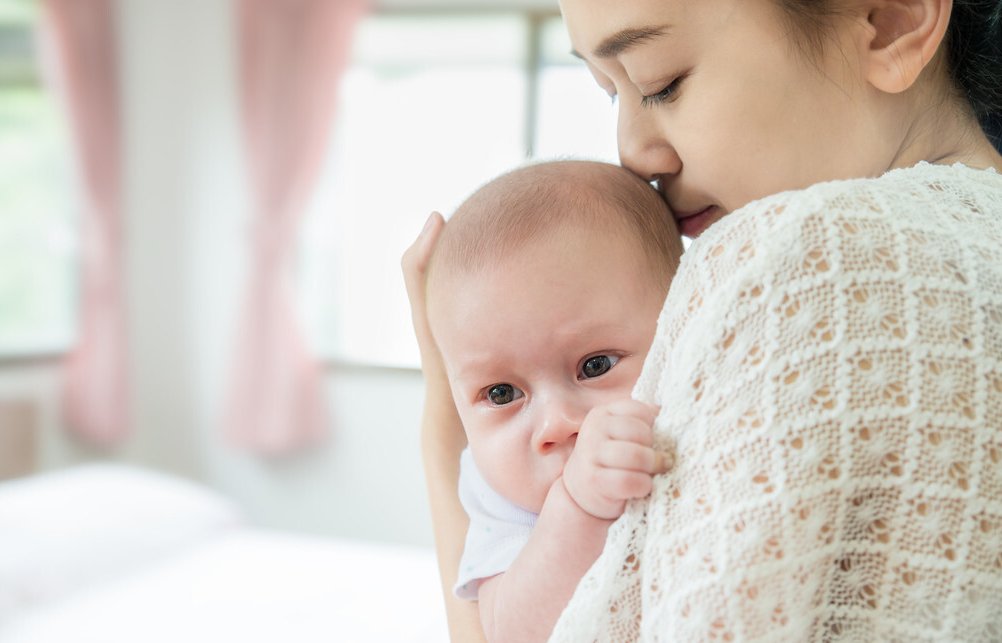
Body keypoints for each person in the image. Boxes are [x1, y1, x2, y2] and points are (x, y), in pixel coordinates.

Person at [402, 0, 1002, 640]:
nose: (633, 153)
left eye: (661, 84)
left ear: (892, 20)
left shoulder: (804, 254)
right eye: (612, 95)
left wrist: (442, 428)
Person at [424, 160, 682, 642]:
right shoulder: (500, 497)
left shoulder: (700, 410)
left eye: (597, 365)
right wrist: (577, 508)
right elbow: (512, 632)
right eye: (501, 394)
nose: (558, 424)